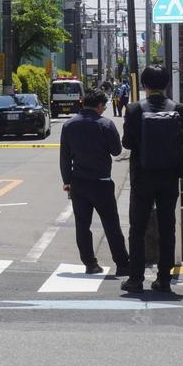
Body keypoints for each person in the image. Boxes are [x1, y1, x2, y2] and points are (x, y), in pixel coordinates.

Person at [120, 65, 183, 294]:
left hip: (142, 176)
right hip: (169, 177)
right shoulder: (178, 109)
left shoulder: (134, 109)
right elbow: (181, 141)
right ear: (167, 84)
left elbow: (127, 143)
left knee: (137, 229)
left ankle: (136, 279)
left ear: (144, 85)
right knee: (167, 229)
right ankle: (164, 279)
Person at [59, 88, 130, 276]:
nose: (104, 109)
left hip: (78, 181)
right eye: (104, 106)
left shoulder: (69, 125)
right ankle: (122, 265)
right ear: (99, 106)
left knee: (82, 225)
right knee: (111, 224)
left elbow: (64, 157)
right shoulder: (105, 124)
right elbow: (116, 151)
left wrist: (67, 181)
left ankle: (90, 264)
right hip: (101, 182)